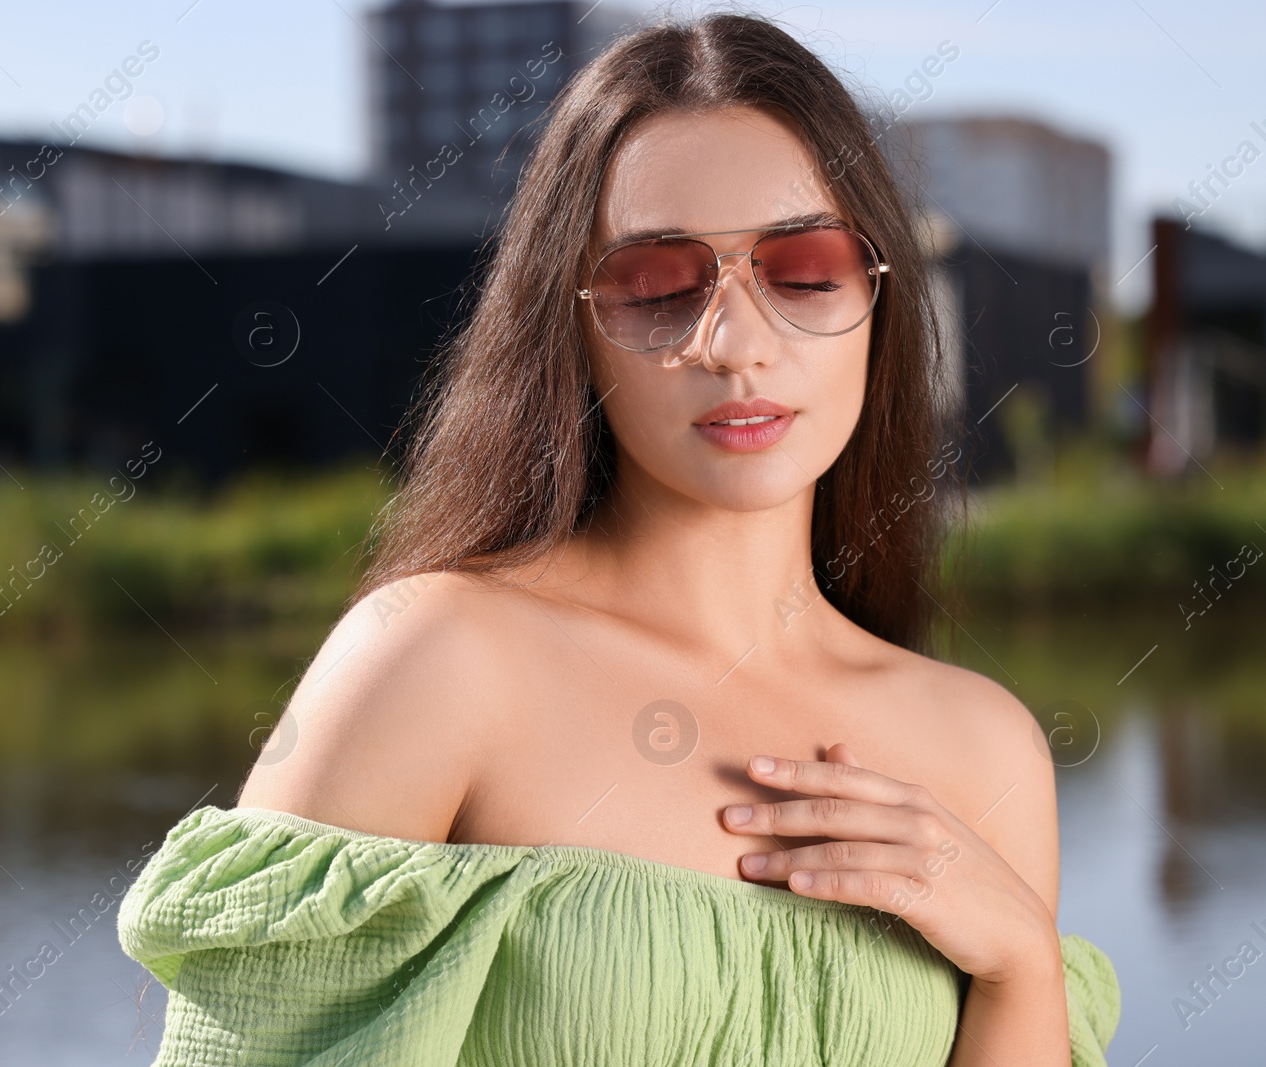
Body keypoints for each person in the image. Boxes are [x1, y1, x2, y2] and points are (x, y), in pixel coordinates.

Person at [118, 10, 1121, 1066]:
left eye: (803, 267)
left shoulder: (981, 745)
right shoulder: (437, 658)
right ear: (571, 323)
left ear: (878, 297)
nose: (734, 344)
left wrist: (1019, 962)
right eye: (655, 284)